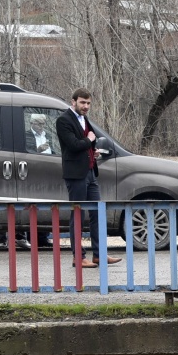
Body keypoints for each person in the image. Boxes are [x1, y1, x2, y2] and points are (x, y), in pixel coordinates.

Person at [55, 87, 121, 268]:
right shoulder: (63, 120)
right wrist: (90, 140)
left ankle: (99, 254)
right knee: (77, 214)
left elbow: (84, 146)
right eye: (82, 102)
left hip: (91, 173)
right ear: (73, 101)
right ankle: (79, 257)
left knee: (97, 213)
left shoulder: (84, 120)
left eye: (88, 103)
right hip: (75, 176)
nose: (86, 106)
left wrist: (94, 152)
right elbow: (74, 145)